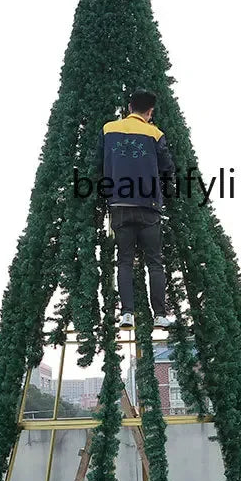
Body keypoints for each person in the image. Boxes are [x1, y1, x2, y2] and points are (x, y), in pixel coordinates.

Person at [97, 89, 175, 330]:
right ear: (150, 112)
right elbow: (167, 168)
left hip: (119, 205)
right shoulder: (155, 133)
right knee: (154, 262)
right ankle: (159, 315)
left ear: (129, 107)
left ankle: (127, 313)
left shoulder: (108, 129)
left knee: (124, 261)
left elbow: (98, 162)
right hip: (148, 206)